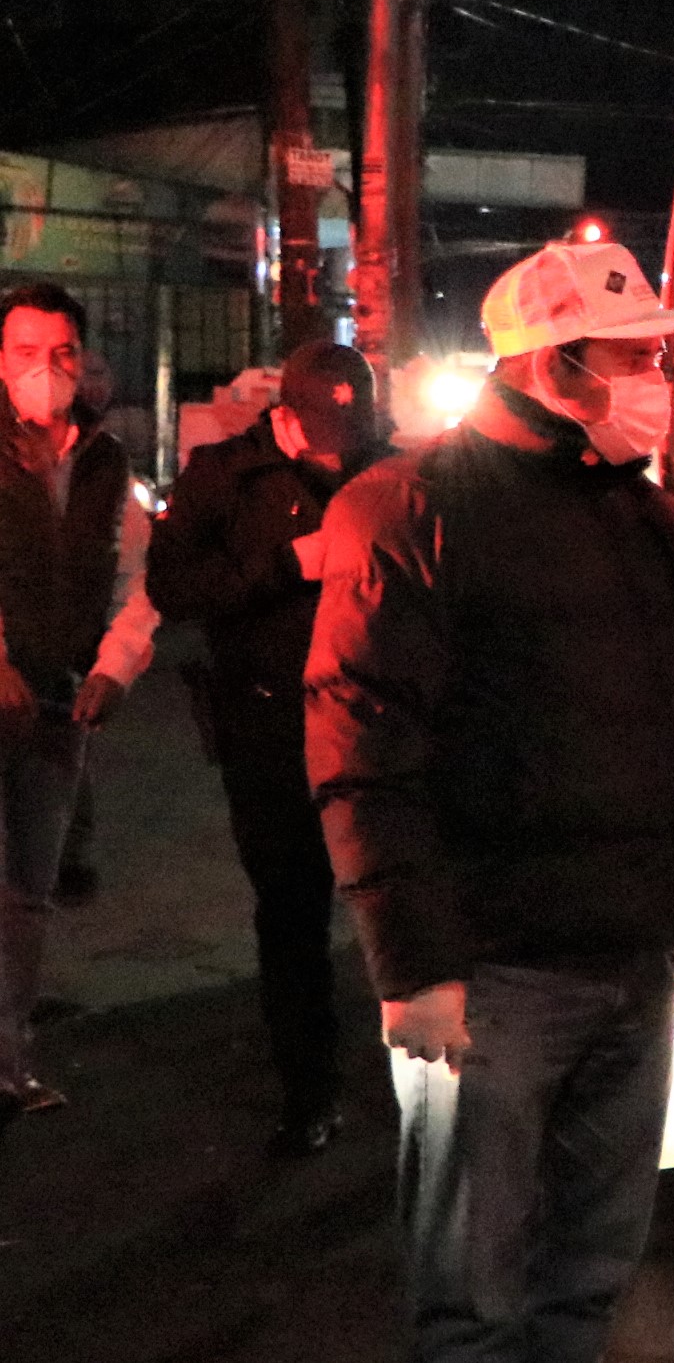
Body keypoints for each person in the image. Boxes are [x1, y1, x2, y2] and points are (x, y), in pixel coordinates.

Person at [309, 242, 674, 1361]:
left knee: (591, 1272)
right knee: (474, 1298)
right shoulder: (412, 507)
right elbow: (361, 748)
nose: (660, 378)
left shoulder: (649, 520)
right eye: (638, 356)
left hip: (636, 963)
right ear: (558, 365)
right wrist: (416, 967)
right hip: (494, 976)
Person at [146, 340, 390, 1154]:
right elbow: (174, 590)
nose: (339, 452)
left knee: (396, 894)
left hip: (373, 724)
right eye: (324, 439)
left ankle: (415, 1065)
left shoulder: (383, 466)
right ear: (286, 417)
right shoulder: (225, 475)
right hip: (268, 727)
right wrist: (288, 564)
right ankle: (309, 1087)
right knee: (290, 910)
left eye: (351, 439)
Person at [0, 282, 159, 1114]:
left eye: (60, 352)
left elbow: (140, 577)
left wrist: (115, 666)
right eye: (25, 352)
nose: (44, 369)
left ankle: (7, 1065)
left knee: (28, 893)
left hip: (57, 711)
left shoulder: (107, 460)